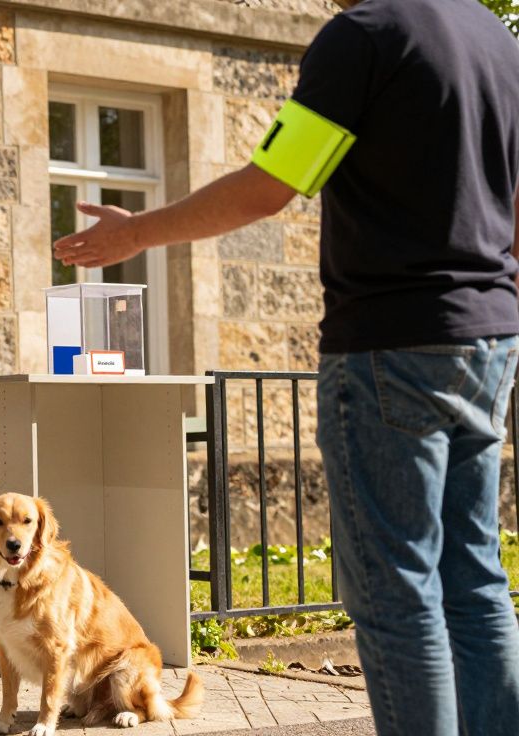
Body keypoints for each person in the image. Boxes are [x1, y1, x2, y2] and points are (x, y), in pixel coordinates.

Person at [51, 1, 519, 734]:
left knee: (399, 594)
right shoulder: (496, 39)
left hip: (389, 345)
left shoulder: (362, 39)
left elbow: (272, 184)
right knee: (476, 580)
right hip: (489, 335)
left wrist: (135, 232)